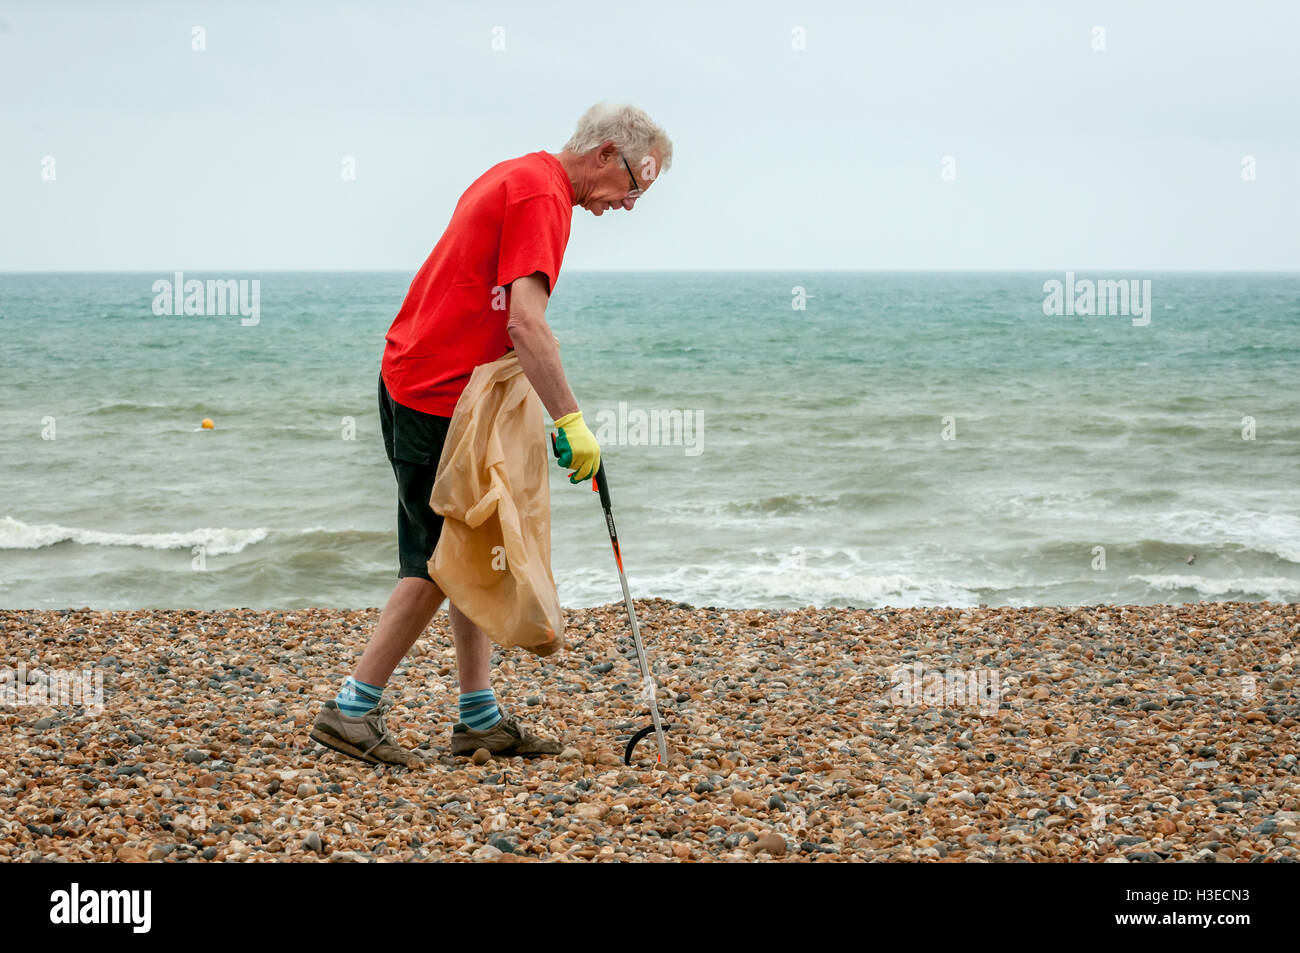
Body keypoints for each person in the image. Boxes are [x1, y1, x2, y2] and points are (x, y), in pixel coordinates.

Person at [310, 103, 673, 765]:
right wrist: (569, 418)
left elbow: (496, 311)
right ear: (605, 154)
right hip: (435, 393)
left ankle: (477, 716)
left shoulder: (523, 175)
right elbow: (526, 324)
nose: (631, 203)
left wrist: (549, 414)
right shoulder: (542, 195)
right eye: (635, 187)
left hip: (432, 382)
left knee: (469, 548)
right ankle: (351, 709)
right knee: (435, 558)